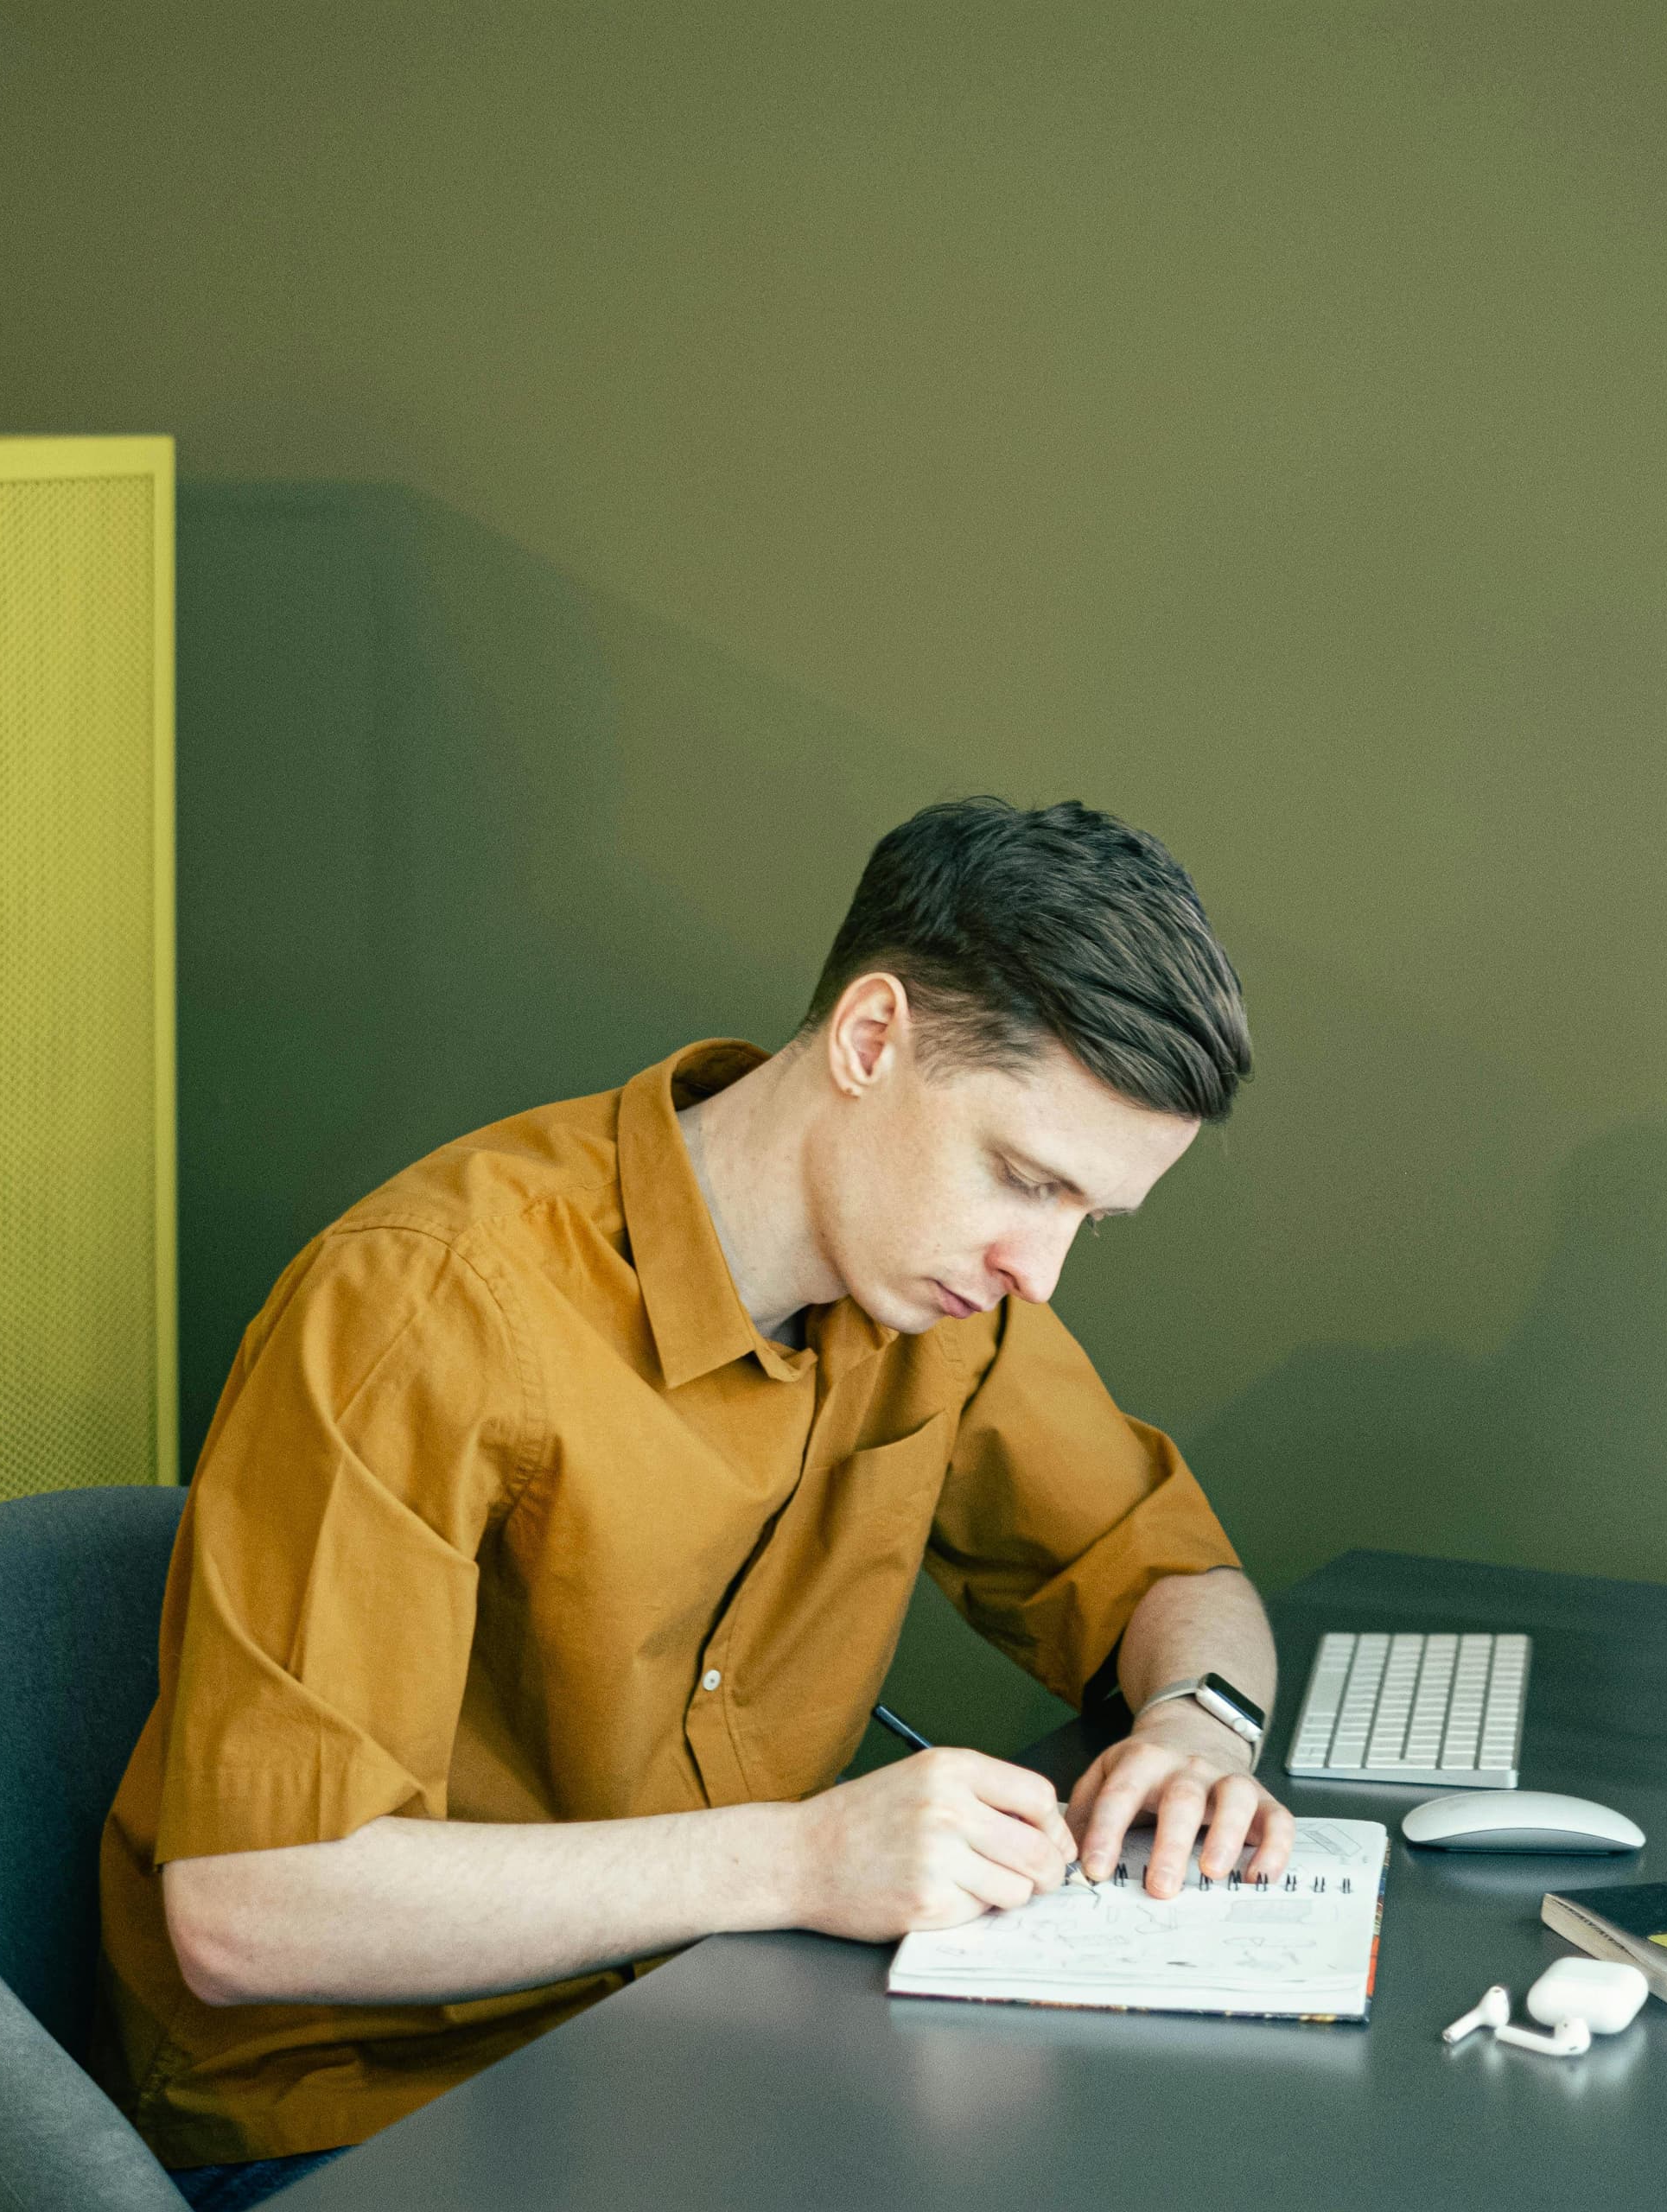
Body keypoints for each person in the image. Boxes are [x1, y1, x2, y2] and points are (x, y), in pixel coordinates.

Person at [97, 797, 1291, 2209]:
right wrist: (803, 1858)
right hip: (362, 2118)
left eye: (1085, 1216)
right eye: (1025, 1179)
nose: (1041, 1267)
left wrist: (1194, 1727)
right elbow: (253, 1910)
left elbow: (1173, 1579)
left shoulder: (949, 1306)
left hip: (704, 2042)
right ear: (869, 1040)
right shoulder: (429, 1302)